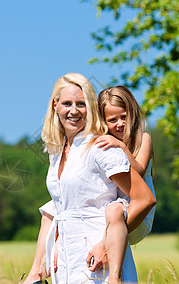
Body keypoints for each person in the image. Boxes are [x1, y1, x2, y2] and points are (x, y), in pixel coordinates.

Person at [23, 73, 156, 284]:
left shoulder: (101, 147)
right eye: (67, 103)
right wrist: (37, 268)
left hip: (100, 267)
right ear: (55, 105)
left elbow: (144, 199)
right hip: (66, 265)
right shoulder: (56, 153)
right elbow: (55, 210)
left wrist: (106, 246)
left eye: (81, 104)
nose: (74, 111)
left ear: (91, 108)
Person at [89, 85, 156, 280]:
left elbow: (140, 170)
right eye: (112, 120)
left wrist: (120, 146)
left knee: (113, 211)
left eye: (124, 117)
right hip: (119, 213)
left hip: (140, 214)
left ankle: (114, 278)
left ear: (133, 114)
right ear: (104, 121)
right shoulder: (106, 142)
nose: (119, 124)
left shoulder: (143, 138)